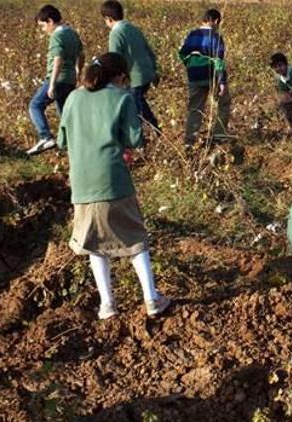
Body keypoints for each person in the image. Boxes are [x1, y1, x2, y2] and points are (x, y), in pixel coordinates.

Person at [57, 53, 171, 320]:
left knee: (95, 244)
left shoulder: (73, 98)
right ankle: (152, 299)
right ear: (120, 77)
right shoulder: (122, 98)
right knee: (134, 239)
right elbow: (134, 139)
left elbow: (62, 141)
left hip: (82, 183)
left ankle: (107, 304)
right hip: (113, 180)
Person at [27, 4, 83, 156]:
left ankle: (45, 137)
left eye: (43, 26)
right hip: (69, 80)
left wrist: (51, 84)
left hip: (58, 79)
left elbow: (57, 59)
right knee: (64, 113)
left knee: (35, 105)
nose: (43, 30)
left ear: (50, 21)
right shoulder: (72, 33)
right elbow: (81, 55)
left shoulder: (56, 36)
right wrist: (78, 72)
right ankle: (71, 145)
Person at [101, 0, 161, 136]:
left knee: (134, 111)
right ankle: (156, 130)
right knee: (140, 104)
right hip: (146, 74)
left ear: (108, 19)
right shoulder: (134, 28)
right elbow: (149, 51)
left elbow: (114, 59)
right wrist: (154, 71)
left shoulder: (116, 33)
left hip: (133, 78)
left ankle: (139, 140)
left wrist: (111, 81)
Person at [179, 8, 231, 147]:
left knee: (195, 108)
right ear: (214, 21)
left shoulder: (192, 35)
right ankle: (219, 135)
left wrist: (190, 65)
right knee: (223, 103)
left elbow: (182, 53)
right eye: (218, 22)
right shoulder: (216, 37)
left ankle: (190, 141)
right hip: (211, 75)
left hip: (194, 76)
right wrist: (222, 82)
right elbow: (219, 61)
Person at [269, 52, 292, 135]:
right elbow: (285, 94)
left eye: (280, 65)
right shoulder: (280, 79)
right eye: (275, 67)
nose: (278, 69)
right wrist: (288, 99)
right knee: (284, 104)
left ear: (286, 64)